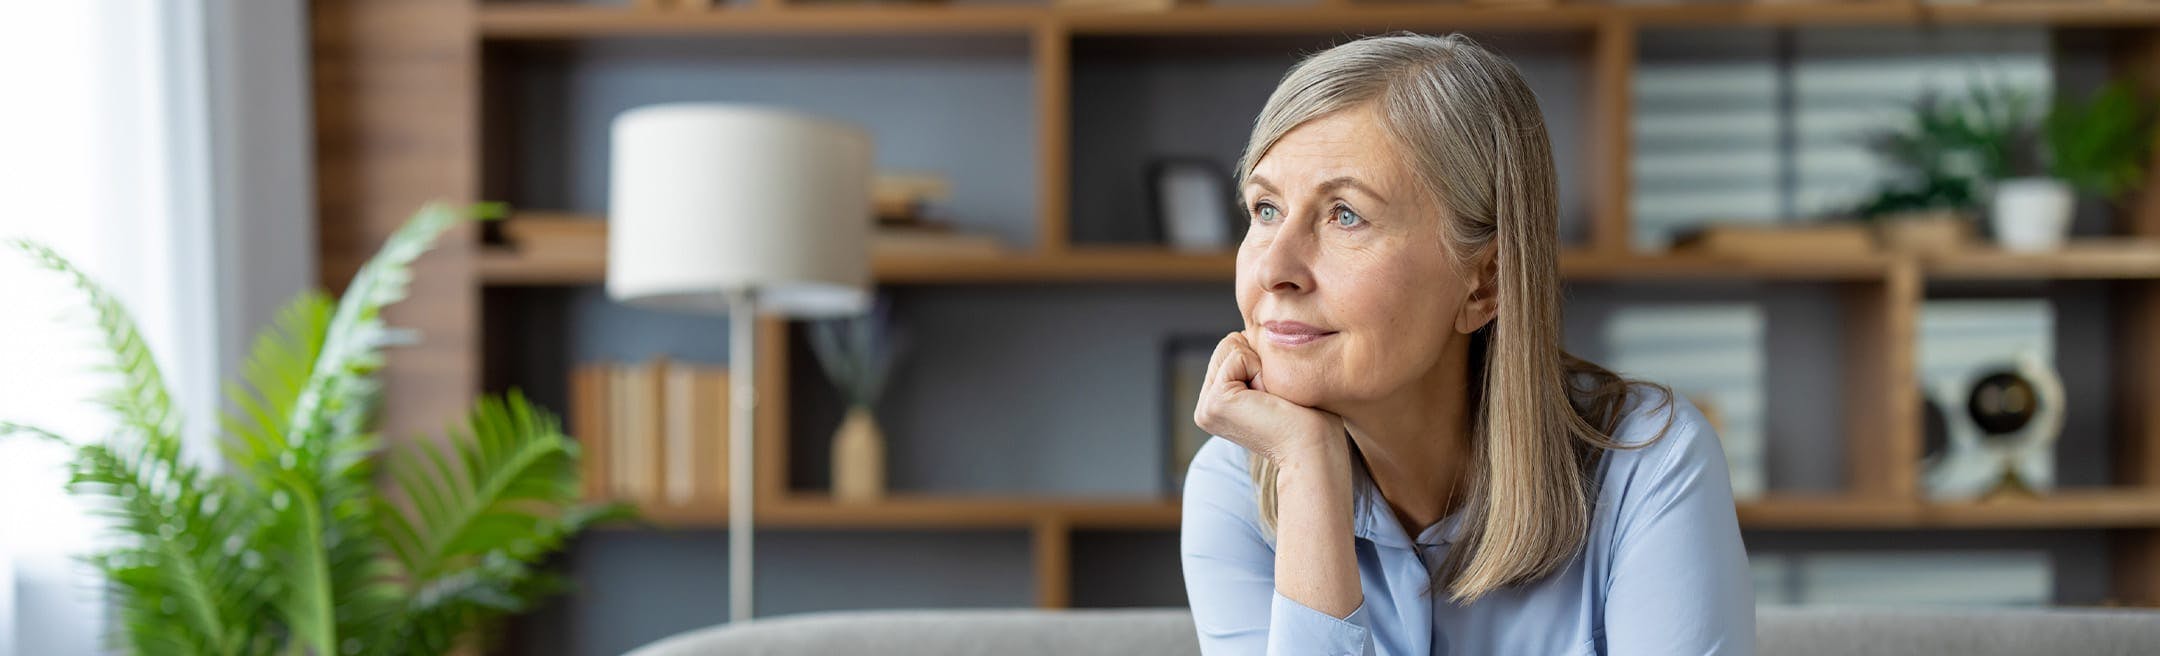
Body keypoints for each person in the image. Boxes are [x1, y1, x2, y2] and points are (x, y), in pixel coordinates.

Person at [1178, 32, 1754, 655]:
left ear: (1486, 282)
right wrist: (1310, 474)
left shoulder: (1650, 464)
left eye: (1345, 214)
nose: (1272, 269)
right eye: (1265, 209)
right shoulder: (1235, 486)